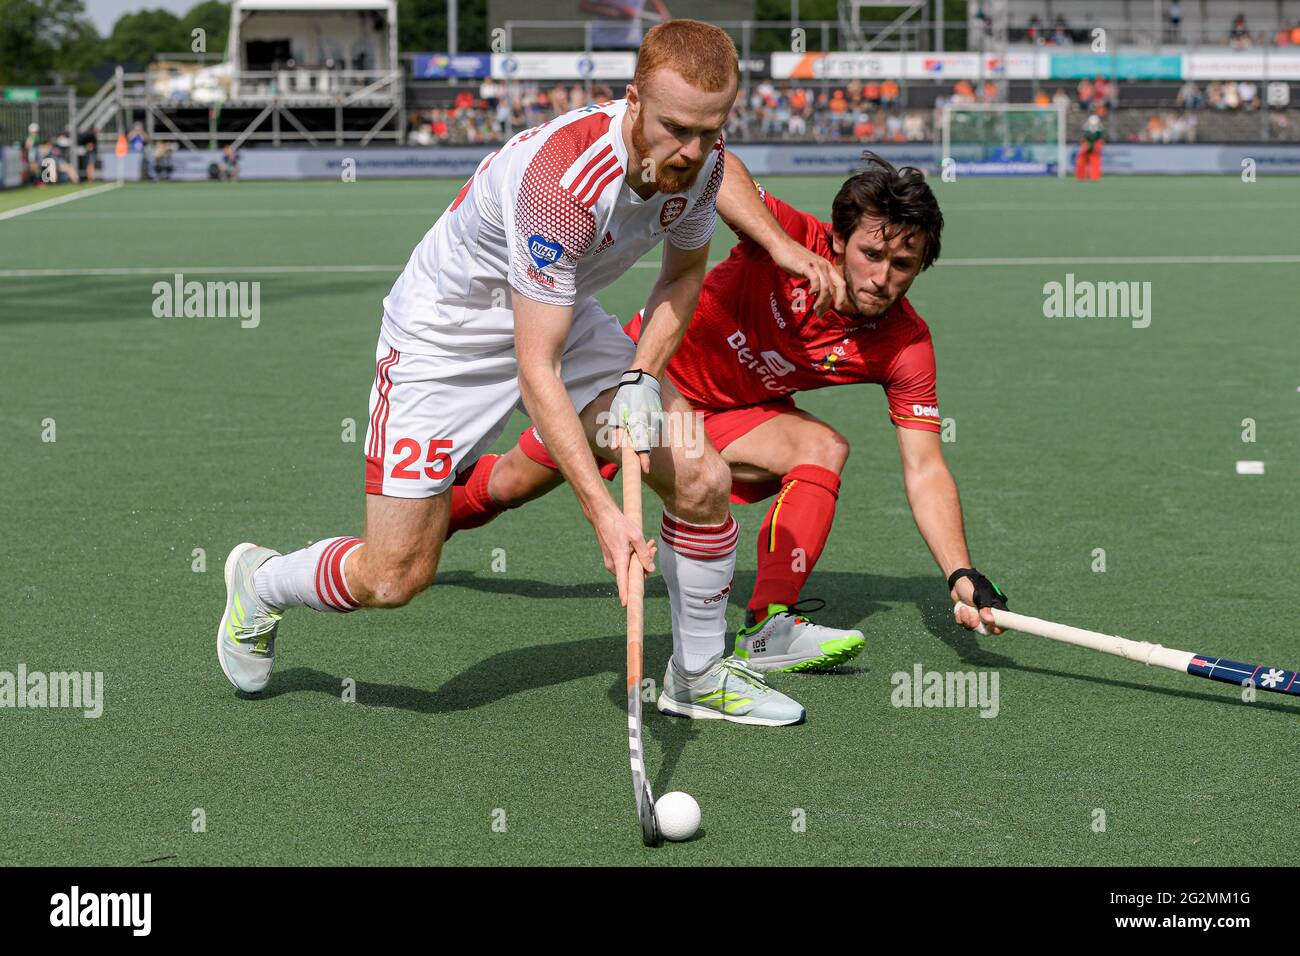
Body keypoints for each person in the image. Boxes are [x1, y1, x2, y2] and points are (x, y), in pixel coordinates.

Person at [215, 21, 827, 727]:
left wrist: (638, 376)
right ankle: (261, 583)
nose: (690, 151)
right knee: (394, 576)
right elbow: (535, 370)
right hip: (446, 335)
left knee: (700, 475)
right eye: (675, 127)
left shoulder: (706, 165)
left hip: (560, 312)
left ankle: (696, 676)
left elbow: (683, 275)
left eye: (710, 130)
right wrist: (604, 515)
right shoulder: (561, 183)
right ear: (633, 101)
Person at [445, 152, 1009, 672]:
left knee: (824, 447)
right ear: (839, 241)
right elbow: (718, 165)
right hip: (640, 384)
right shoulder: (793, 237)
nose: (882, 278)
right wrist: (781, 246)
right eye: (872, 254)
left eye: (903, 264)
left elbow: (925, 468)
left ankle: (769, 627)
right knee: (510, 485)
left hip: (729, 418)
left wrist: (959, 571)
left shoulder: (905, 344)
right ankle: (433, 520)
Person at [1076, 113, 1105, 179]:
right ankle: (1082, 176)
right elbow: (1084, 139)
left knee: (1095, 162)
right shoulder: (1087, 128)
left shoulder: (1099, 130)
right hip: (1087, 146)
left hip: (1094, 147)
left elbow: (1100, 140)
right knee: (1082, 161)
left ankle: (1094, 176)